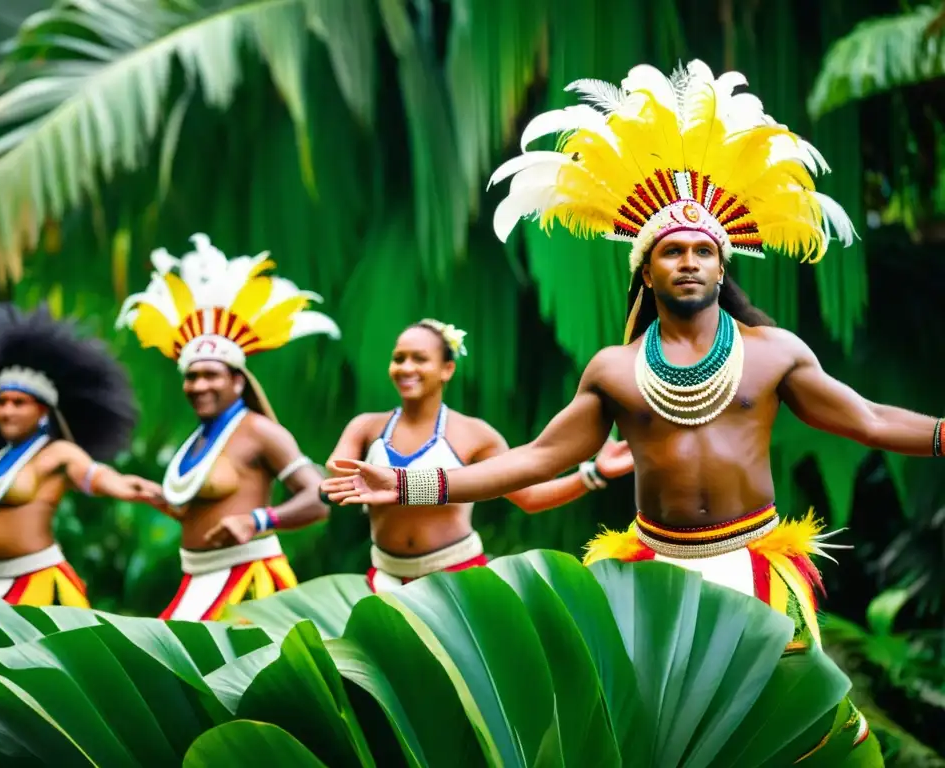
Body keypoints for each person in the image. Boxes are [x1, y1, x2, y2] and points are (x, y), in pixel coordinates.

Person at [321, 60, 914, 760]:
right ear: (646, 268)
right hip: (651, 578)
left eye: (702, 250)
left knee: (788, 738)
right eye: (672, 252)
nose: (689, 261)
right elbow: (538, 460)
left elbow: (869, 420)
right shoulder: (615, 370)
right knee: (659, 744)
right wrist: (413, 484)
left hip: (753, 564)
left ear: (723, 266)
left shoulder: (772, 353)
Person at [116, 233, 339, 621]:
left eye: (210, 375)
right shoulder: (198, 439)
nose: (199, 385)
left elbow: (319, 500)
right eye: (192, 376)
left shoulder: (259, 431)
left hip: (248, 583)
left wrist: (258, 520)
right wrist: (161, 499)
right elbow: (209, 509)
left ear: (237, 380)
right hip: (197, 580)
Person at [325, 317, 634, 592]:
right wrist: (333, 484)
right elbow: (335, 474)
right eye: (398, 358)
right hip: (385, 578)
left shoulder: (475, 434)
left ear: (448, 369)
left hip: (458, 578)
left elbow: (529, 496)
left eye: (419, 359)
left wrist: (595, 474)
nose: (406, 368)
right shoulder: (365, 426)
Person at [0, 302, 162, 607]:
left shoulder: (57, 453)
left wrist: (136, 489)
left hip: (41, 587)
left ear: (43, 410)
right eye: (2, 401)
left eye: (19, 402)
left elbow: (100, 477)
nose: (7, 411)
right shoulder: (2, 461)